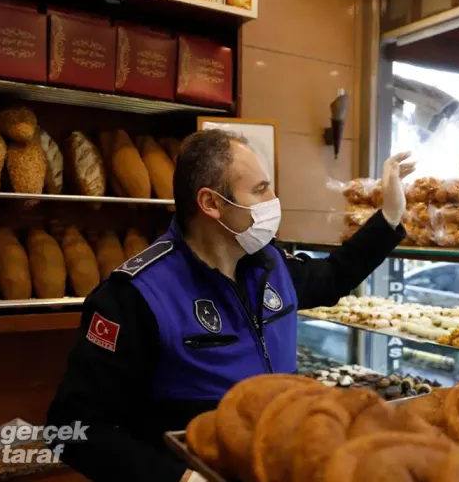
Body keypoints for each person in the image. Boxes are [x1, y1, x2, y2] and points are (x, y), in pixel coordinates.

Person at [46, 130, 415, 482]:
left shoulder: (271, 265)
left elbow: (334, 276)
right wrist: (181, 478)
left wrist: (389, 217)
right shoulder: (136, 296)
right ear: (211, 203)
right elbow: (72, 428)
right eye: (260, 190)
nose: (274, 199)